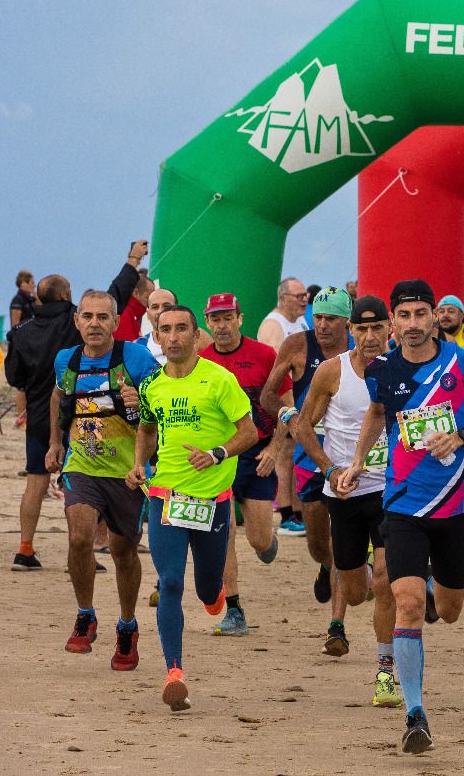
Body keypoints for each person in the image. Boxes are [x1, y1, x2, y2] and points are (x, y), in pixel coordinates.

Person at [336, 279, 464, 754]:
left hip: (455, 507)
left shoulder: (462, 363)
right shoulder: (383, 368)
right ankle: (415, 714)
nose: (412, 325)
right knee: (406, 602)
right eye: (403, 316)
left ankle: (437, 592)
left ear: (435, 316)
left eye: (420, 315)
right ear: (393, 320)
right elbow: (376, 413)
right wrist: (356, 461)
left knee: (448, 612)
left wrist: (462, 436)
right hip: (403, 504)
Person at [128, 304, 260, 710]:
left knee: (205, 588)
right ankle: (174, 673)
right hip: (165, 496)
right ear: (157, 333)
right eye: (164, 329)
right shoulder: (152, 385)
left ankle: (216, 593)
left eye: (181, 329)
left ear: (195, 334)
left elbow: (250, 432)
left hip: (212, 502)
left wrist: (217, 453)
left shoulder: (219, 380)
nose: (172, 337)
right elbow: (147, 429)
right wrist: (137, 464)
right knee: (169, 582)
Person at [4, 241, 144, 570]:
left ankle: (25, 548)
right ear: (70, 300)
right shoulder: (75, 322)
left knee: (36, 480)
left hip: (39, 416)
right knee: (93, 474)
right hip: (78, 414)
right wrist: (133, 259)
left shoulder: (21, 331)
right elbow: (116, 293)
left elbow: (13, 376)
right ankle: (87, 550)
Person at [293, 294, 402, 707]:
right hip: (345, 493)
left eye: (378, 328)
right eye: (363, 329)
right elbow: (303, 426)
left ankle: (385, 672)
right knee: (356, 591)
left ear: (389, 328)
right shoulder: (331, 372)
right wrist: (329, 469)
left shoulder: (403, 370)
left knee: (386, 584)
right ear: (350, 331)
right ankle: (365, 573)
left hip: (393, 491)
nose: (371, 337)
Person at [47, 289, 161, 665]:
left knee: (122, 552)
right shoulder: (67, 359)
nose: (94, 324)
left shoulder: (136, 357)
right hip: (82, 464)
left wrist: (140, 399)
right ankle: (85, 615)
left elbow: (163, 399)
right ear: (77, 320)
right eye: (87, 317)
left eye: (102, 317)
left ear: (115, 322)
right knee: (79, 537)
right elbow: (57, 396)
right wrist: (55, 443)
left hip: (128, 471)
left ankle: (127, 626)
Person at [261, 287, 353, 649]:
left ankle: (336, 625)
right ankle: (327, 565)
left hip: (349, 453)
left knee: (345, 537)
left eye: (331, 318)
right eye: (318, 317)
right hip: (308, 453)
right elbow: (269, 394)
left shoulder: (360, 346)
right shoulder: (297, 344)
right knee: (318, 543)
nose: (323, 325)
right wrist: (290, 415)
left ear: (346, 320)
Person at [194, 293, 290, 636]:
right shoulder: (200, 361)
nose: (221, 325)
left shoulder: (265, 356)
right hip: (218, 457)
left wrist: (275, 451)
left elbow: (286, 408)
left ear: (240, 318)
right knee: (223, 536)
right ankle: (234, 610)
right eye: (215, 319)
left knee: (259, 540)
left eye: (227, 318)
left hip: (257, 454)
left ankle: (268, 543)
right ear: (207, 323)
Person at [256, 277, 308, 350]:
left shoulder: (299, 317)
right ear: (283, 299)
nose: (305, 299)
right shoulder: (272, 325)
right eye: (299, 296)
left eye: (305, 294)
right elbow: (273, 360)